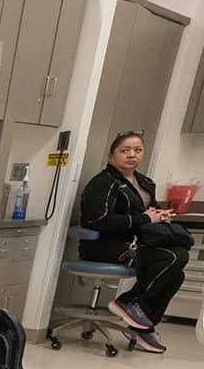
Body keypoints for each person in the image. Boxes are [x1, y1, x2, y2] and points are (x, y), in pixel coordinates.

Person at [79, 131, 189, 354]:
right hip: (106, 246)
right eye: (125, 150)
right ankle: (130, 302)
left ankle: (144, 324)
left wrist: (159, 214)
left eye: (137, 150)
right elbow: (98, 220)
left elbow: (149, 211)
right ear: (111, 156)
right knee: (172, 257)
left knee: (177, 271)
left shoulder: (145, 182)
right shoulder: (103, 183)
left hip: (138, 243)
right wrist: (145, 218)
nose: (132, 155)